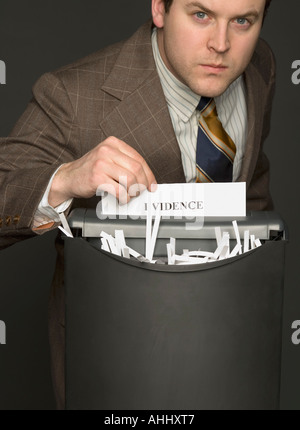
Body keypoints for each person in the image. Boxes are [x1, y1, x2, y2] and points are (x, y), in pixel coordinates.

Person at [0, 0, 274, 409]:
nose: (221, 44)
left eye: (242, 21)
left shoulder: (261, 67)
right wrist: (65, 180)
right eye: (201, 15)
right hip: (116, 363)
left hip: (229, 347)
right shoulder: (73, 95)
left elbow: (253, 184)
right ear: (159, 9)